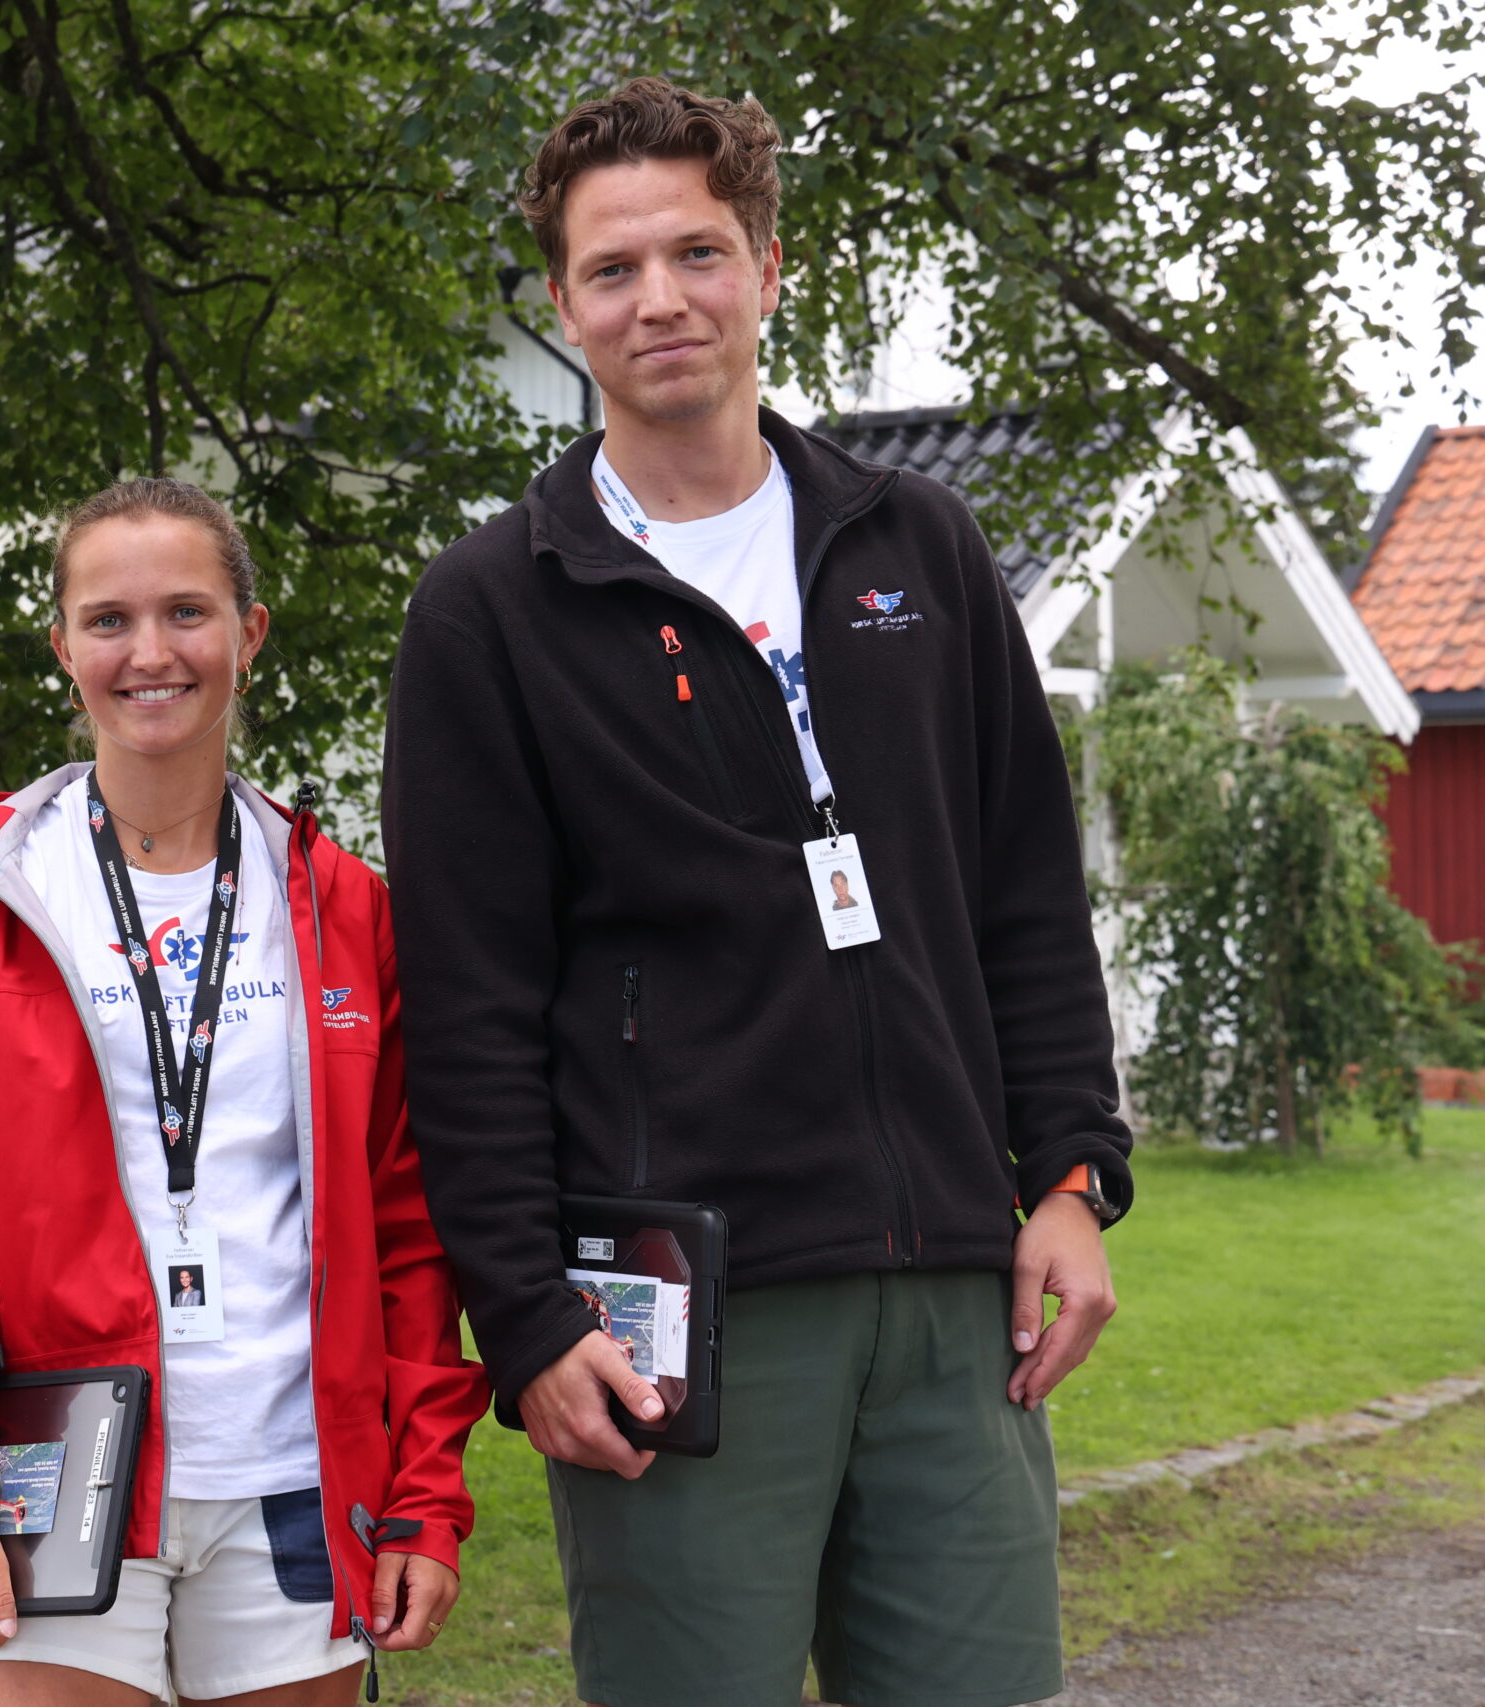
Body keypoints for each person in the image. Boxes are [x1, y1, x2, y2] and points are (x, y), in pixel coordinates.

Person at [381, 78, 1132, 1707]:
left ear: (771, 269)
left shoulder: (918, 546)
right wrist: (520, 1315)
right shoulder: (491, 612)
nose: (663, 299)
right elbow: (466, 1005)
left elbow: (1023, 894)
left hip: (954, 1289)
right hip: (685, 1318)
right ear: (565, 303)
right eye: (613, 267)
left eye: (699, 252)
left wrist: (1070, 1176)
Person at [0, 477, 488, 1706]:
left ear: (247, 635)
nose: (150, 654)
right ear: (63, 648)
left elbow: (408, 1230)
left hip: (292, 1480)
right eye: (108, 620)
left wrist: (422, 1495)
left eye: (187, 613)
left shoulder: (344, 909)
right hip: (44, 1463)